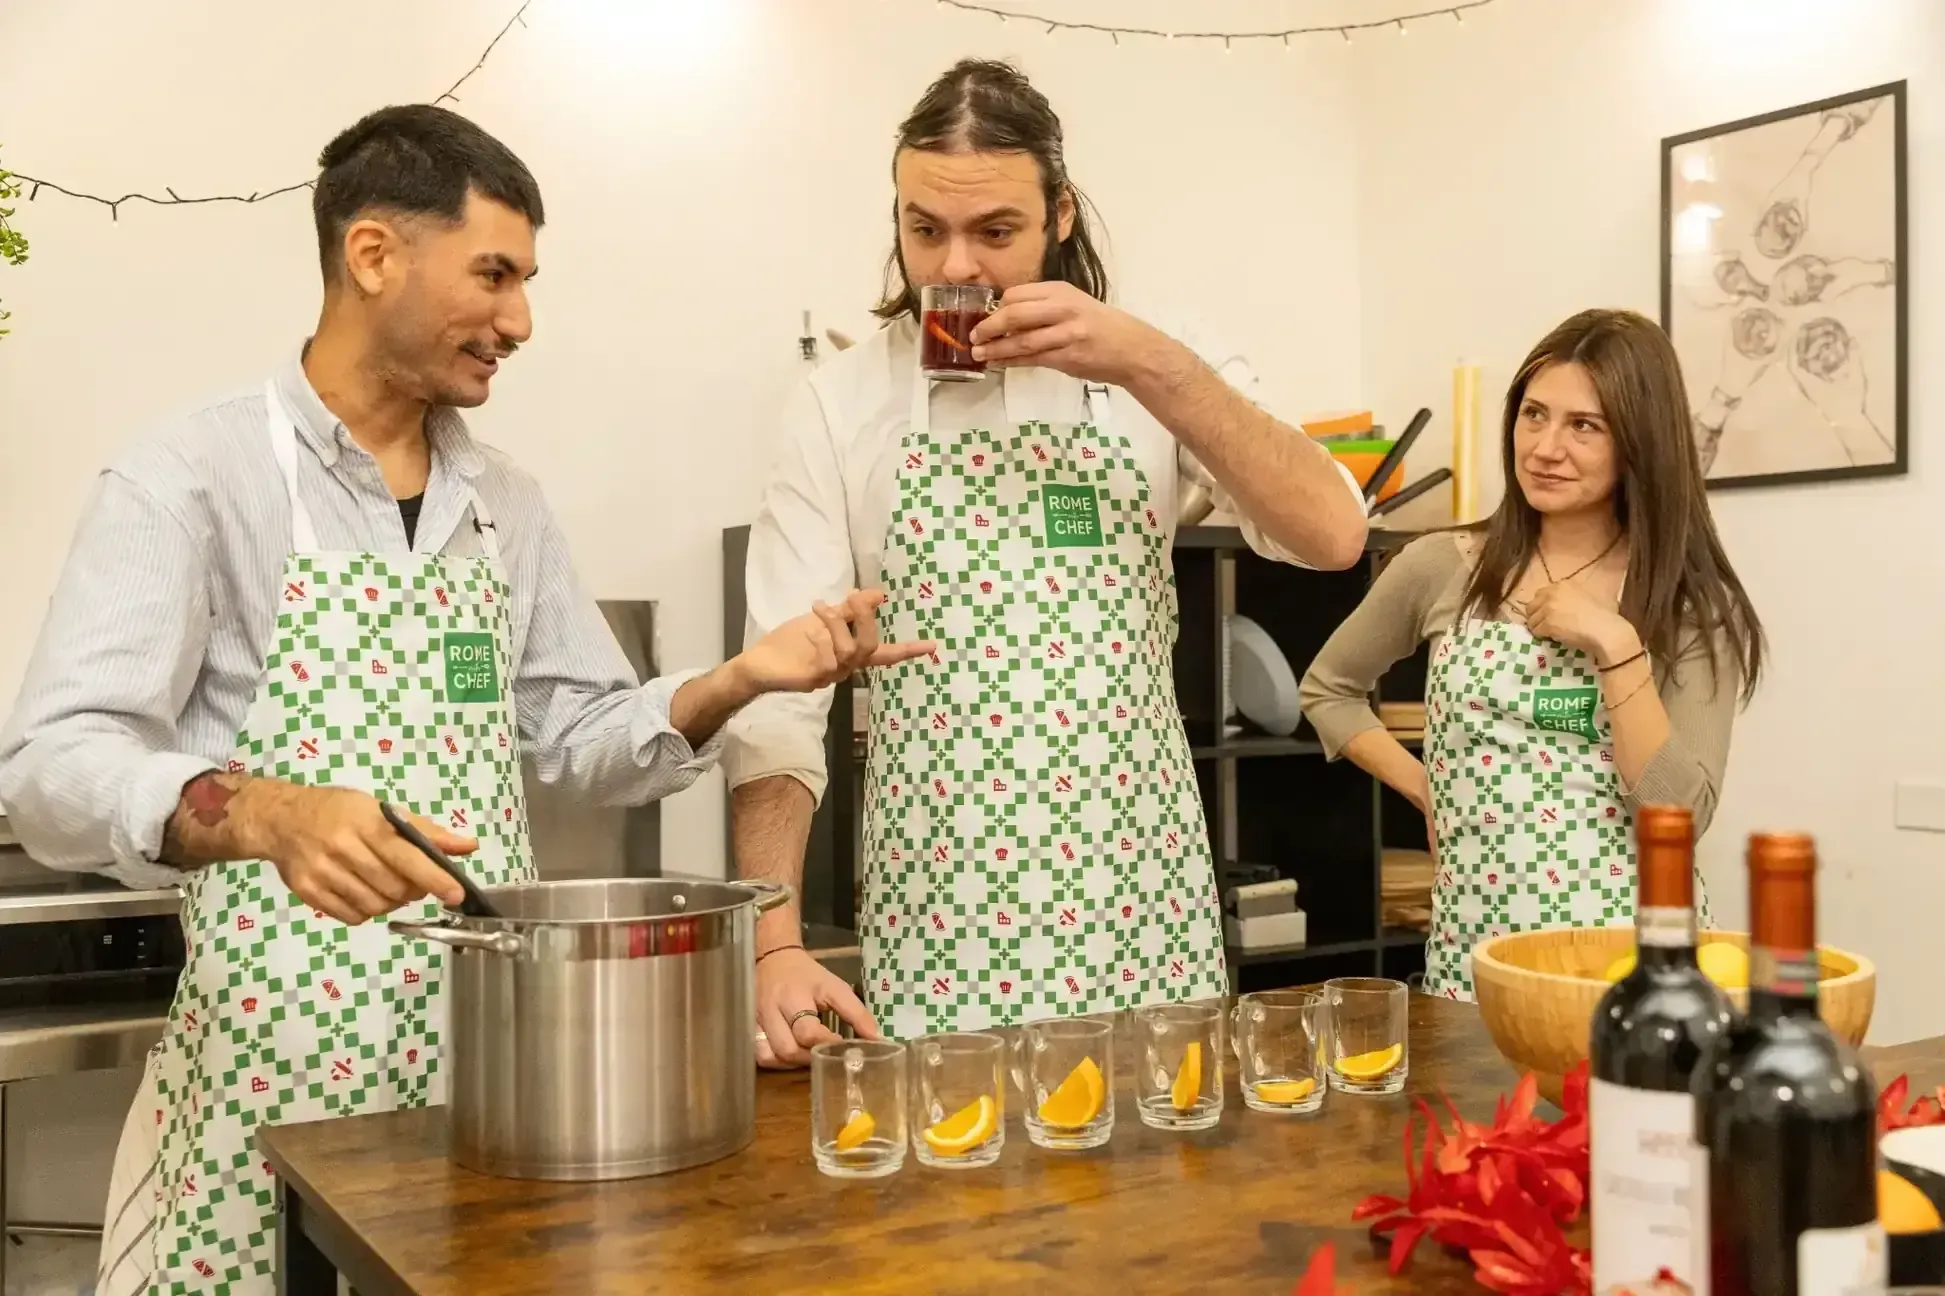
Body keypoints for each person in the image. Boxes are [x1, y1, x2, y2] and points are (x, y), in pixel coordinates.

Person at [0, 105, 921, 1296]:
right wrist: (261, 811)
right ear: (372, 254)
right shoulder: (189, 480)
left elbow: (584, 741)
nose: (520, 320)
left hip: (497, 1090)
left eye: (528, 280)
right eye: (494, 274)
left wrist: (739, 678)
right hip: (275, 1096)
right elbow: (51, 763)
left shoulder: (504, 508)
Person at [725, 59, 1370, 1063]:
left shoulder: (1160, 365)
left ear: (1060, 215)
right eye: (924, 229)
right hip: (941, 919)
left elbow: (1331, 536)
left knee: (1160, 1198)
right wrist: (772, 939)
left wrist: (1152, 364)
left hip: (1144, 912)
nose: (955, 268)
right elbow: (777, 700)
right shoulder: (840, 402)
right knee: (947, 1201)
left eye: (994, 232)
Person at [1299, 308, 1765, 1001]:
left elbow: (1677, 818)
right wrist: (1427, 786)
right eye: (1533, 415)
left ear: (1640, 442)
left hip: (1637, 970)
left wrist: (1615, 645)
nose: (1545, 448)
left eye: (1585, 425)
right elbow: (1327, 688)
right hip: (1475, 952)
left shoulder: (1688, 603)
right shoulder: (1440, 564)